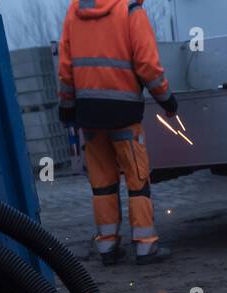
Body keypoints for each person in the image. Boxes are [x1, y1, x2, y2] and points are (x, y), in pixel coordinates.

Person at [58, 0, 177, 265]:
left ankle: (108, 247)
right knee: (137, 181)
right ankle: (146, 246)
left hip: (88, 115)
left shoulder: (74, 12)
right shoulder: (131, 11)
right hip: (124, 114)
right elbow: (147, 64)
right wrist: (167, 100)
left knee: (102, 186)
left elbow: (65, 69)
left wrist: (67, 108)